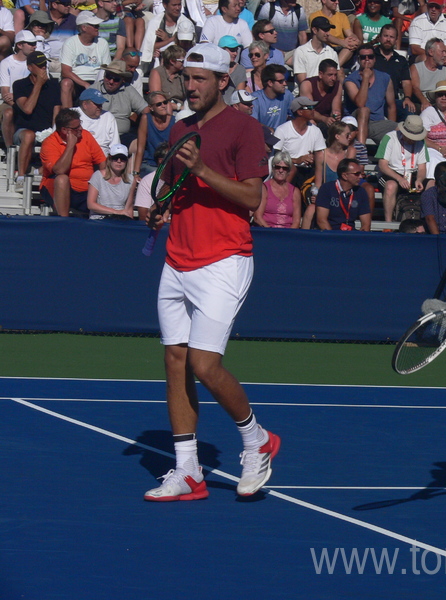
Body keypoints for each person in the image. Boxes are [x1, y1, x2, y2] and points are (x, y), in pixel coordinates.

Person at [143, 43, 278, 502]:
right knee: (175, 363)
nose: (191, 86)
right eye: (188, 78)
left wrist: (201, 168)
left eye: (201, 79)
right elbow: (173, 189)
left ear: (224, 81)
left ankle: (256, 438)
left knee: (204, 364)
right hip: (177, 259)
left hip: (225, 259)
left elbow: (251, 199)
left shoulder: (246, 127)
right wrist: (161, 209)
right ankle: (188, 472)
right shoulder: (180, 127)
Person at [40, 108, 107, 217]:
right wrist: (71, 145)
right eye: (76, 128)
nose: (81, 129)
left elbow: (102, 161)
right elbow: (59, 170)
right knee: (62, 179)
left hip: (86, 188)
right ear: (65, 130)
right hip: (60, 187)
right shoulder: (50, 143)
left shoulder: (86, 136)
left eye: (80, 124)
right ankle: (64, 221)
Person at [12, 50, 61, 187]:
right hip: (24, 130)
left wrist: (54, 131)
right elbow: (27, 109)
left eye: (45, 64)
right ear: (30, 67)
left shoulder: (54, 85)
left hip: (46, 130)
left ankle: (41, 171)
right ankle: (21, 176)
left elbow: (56, 111)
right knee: (29, 135)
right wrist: (38, 84)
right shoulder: (20, 85)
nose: (44, 68)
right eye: (40, 65)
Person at [375, 114, 427, 221]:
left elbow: (422, 168)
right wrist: (399, 179)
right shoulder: (389, 138)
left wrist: (419, 179)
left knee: (431, 184)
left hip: (412, 173)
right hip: (391, 172)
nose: (413, 140)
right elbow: (382, 165)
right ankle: (388, 224)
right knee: (391, 185)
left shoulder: (421, 143)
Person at [343, 45, 397, 144]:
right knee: (364, 110)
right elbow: (360, 103)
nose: (367, 59)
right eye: (363, 57)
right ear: (358, 59)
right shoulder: (350, 80)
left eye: (370, 56)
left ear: (375, 58)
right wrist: (365, 78)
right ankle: (361, 151)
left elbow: (391, 106)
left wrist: (391, 126)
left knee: (404, 129)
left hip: (377, 123)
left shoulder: (385, 78)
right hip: (355, 122)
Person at [274, 95, 326, 194]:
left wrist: (313, 159)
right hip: (287, 171)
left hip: (308, 172)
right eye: (309, 108)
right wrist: (297, 160)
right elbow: (276, 156)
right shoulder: (282, 130)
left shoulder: (316, 131)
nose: (313, 110)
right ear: (299, 111)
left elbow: (320, 156)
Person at [60, 11, 111, 110]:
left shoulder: (102, 43)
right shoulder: (70, 43)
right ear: (84, 27)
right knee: (66, 83)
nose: (98, 27)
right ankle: (68, 117)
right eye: (95, 25)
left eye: (98, 25)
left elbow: (106, 68)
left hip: (97, 81)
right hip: (76, 81)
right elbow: (65, 71)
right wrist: (84, 84)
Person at [0, 30, 37, 150]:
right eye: (30, 44)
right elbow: (5, 93)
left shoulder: (37, 61)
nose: (34, 46)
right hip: (11, 103)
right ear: (19, 45)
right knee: (8, 113)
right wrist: (19, 104)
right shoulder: (6, 63)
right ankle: (10, 150)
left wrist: (16, 97)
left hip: (30, 100)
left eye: (34, 43)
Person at [315, 157, 372, 230]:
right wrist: (334, 238)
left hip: (350, 235)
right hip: (330, 234)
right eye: (357, 174)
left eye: (361, 173)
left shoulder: (361, 192)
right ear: (345, 176)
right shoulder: (326, 189)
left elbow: (366, 224)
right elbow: (321, 220)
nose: (360, 177)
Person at [372, 24, 415, 120]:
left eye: (391, 37)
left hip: (393, 100)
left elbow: (406, 82)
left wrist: (407, 98)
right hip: (373, 99)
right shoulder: (371, 56)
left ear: (396, 40)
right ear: (380, 37)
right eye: (385, 36)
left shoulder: (401, 60)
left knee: (410, 112)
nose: (388, 39)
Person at [86, 142, 137, 219]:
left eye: (122, 159)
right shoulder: (97, 176)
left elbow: (129, 207)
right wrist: (115, 212)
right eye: (115, 158)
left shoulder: (131, 180)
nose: (119, 161)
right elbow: (91, 204)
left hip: (120, 219)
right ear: (109, 159)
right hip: (100, 218)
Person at [253, 150, 302, 228]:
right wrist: (272, 233)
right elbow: (258, 217)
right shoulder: (264, 188)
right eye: (277, 167)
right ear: (273, 168)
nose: (281, 170)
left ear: (288, 171)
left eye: (284, 168)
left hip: (287, 234)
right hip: (267, 232)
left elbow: (296, 221)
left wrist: (288, 236)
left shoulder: (295, 191)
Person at [134, 90, 175, 178]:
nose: (163, 106)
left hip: (167, 165)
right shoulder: (146, 119)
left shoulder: (174, 121)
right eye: (159, 104)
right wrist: (136, 173)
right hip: (150, 163)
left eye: (165, 102)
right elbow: (140, 149)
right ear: (151, 108)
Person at [308, 0, 359, 65]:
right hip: (325, 46)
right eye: (333, 0)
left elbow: (350, 33)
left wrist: (354, 40)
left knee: (350, 47)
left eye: (337, 0)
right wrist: (343, 42)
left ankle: (336, 66)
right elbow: (325, 35)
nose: (337, 2)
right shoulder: (315, 16)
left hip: (342, 48)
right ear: (324, 1)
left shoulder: (342, 16)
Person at [298, 58, 341, 132]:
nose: (333, 78)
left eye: (335, 75)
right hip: (309, 119)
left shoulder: (337, 85)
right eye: (330, 75)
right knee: (311, 124)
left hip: (326, 120)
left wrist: (336, 115)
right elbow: (309, 111)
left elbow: (336, 108)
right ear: (321, 74)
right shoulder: (308, 85)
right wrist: (324, 119)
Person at [293, 16, 339, 85]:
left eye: (328, 30)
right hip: (305, 93)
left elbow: (335, 76)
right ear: (314, 30)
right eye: (324, 30)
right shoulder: (301, 51)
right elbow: (303, 82)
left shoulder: (331, 52)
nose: (328, 33)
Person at [76, 87, 120, 157]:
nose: (100, 107)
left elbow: (115, 146)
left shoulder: (108, 117)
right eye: (97, 104)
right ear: (85, 105)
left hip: (102, 160)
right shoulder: (71, 115)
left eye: (101, 104)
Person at [410, 37, 446, 111]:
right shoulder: (416, 68)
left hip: (438, 104)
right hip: (419, 103)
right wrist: (424, 101)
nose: (445, 55)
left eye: (445, 52)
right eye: (442, 52)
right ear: (431, 52)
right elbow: (415, 88)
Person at [251, 63, 293, 132]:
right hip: (262, 137)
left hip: (283, 138)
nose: (285, 84)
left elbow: (295, 114)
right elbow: (252, 122)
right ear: (270, 83)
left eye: (285, 81)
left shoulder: (287, 94)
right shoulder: (255, 99)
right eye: (281, 81)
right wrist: (269, 130)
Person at [148, 44, 187, 110]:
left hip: (183, 109)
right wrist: (178, 107)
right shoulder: (157, 72)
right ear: (172, 61)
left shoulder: (184, 74)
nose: (184, 63)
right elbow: (157, 99)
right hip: (163, 109)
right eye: (182, 61)